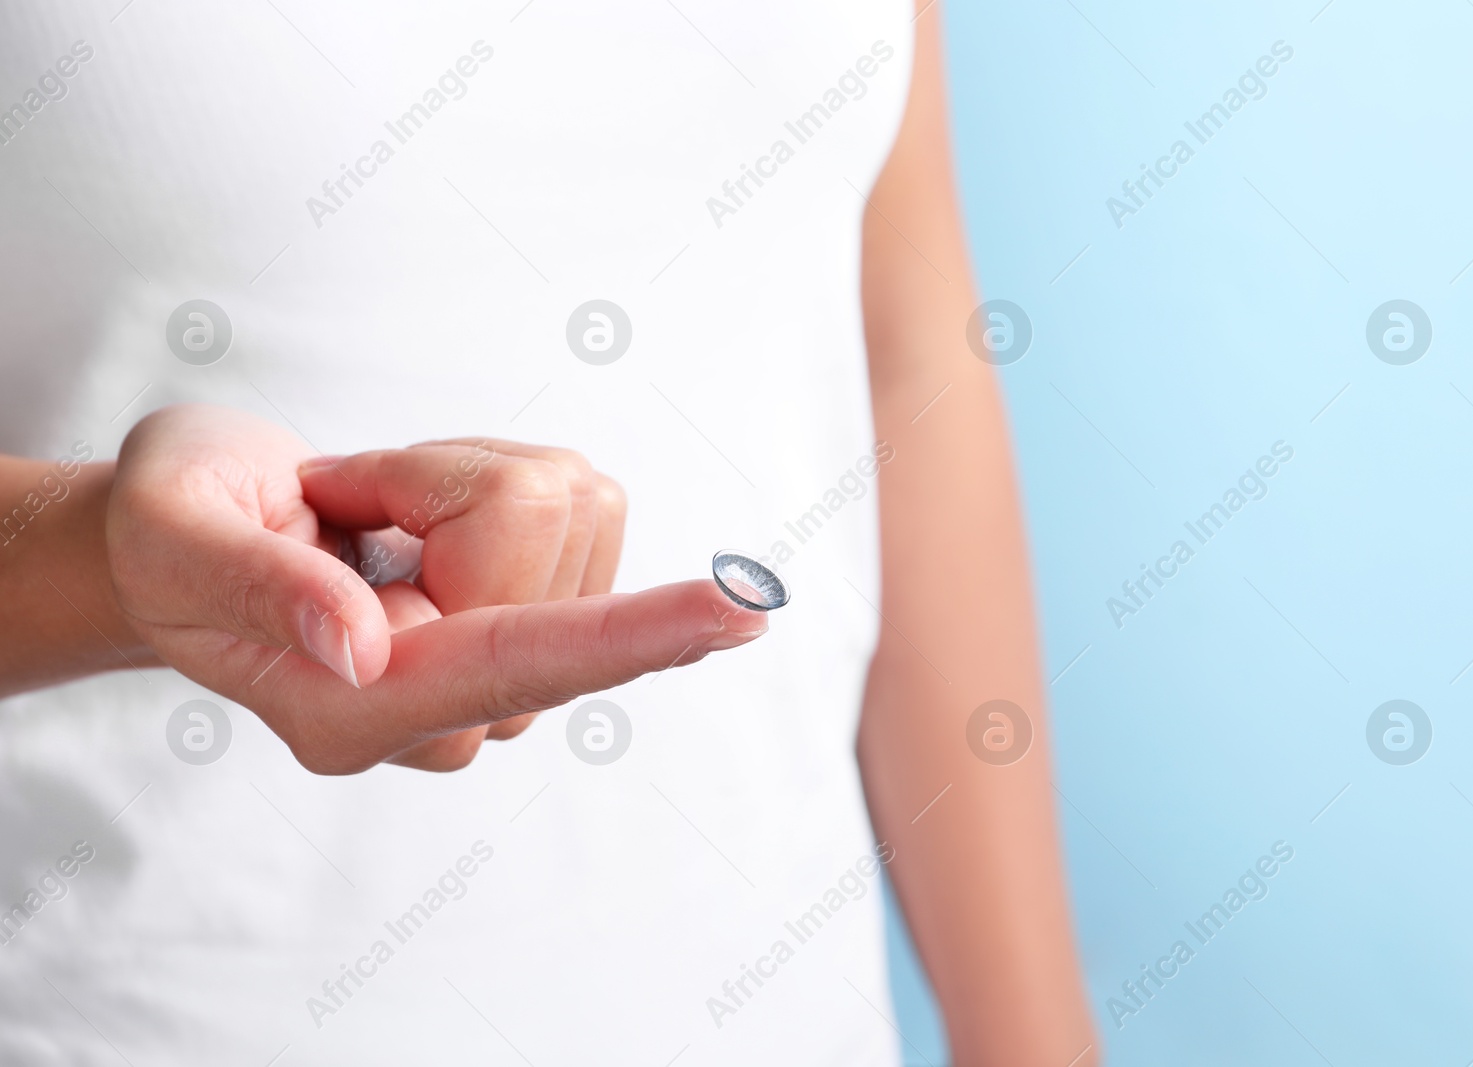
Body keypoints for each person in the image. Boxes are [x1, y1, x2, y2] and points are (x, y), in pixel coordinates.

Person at [0, 1, 1093, 1063]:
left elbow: (904, 362)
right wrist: (110, 559)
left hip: (782, 1009)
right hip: (134, 1010)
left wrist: (1032, 1037)